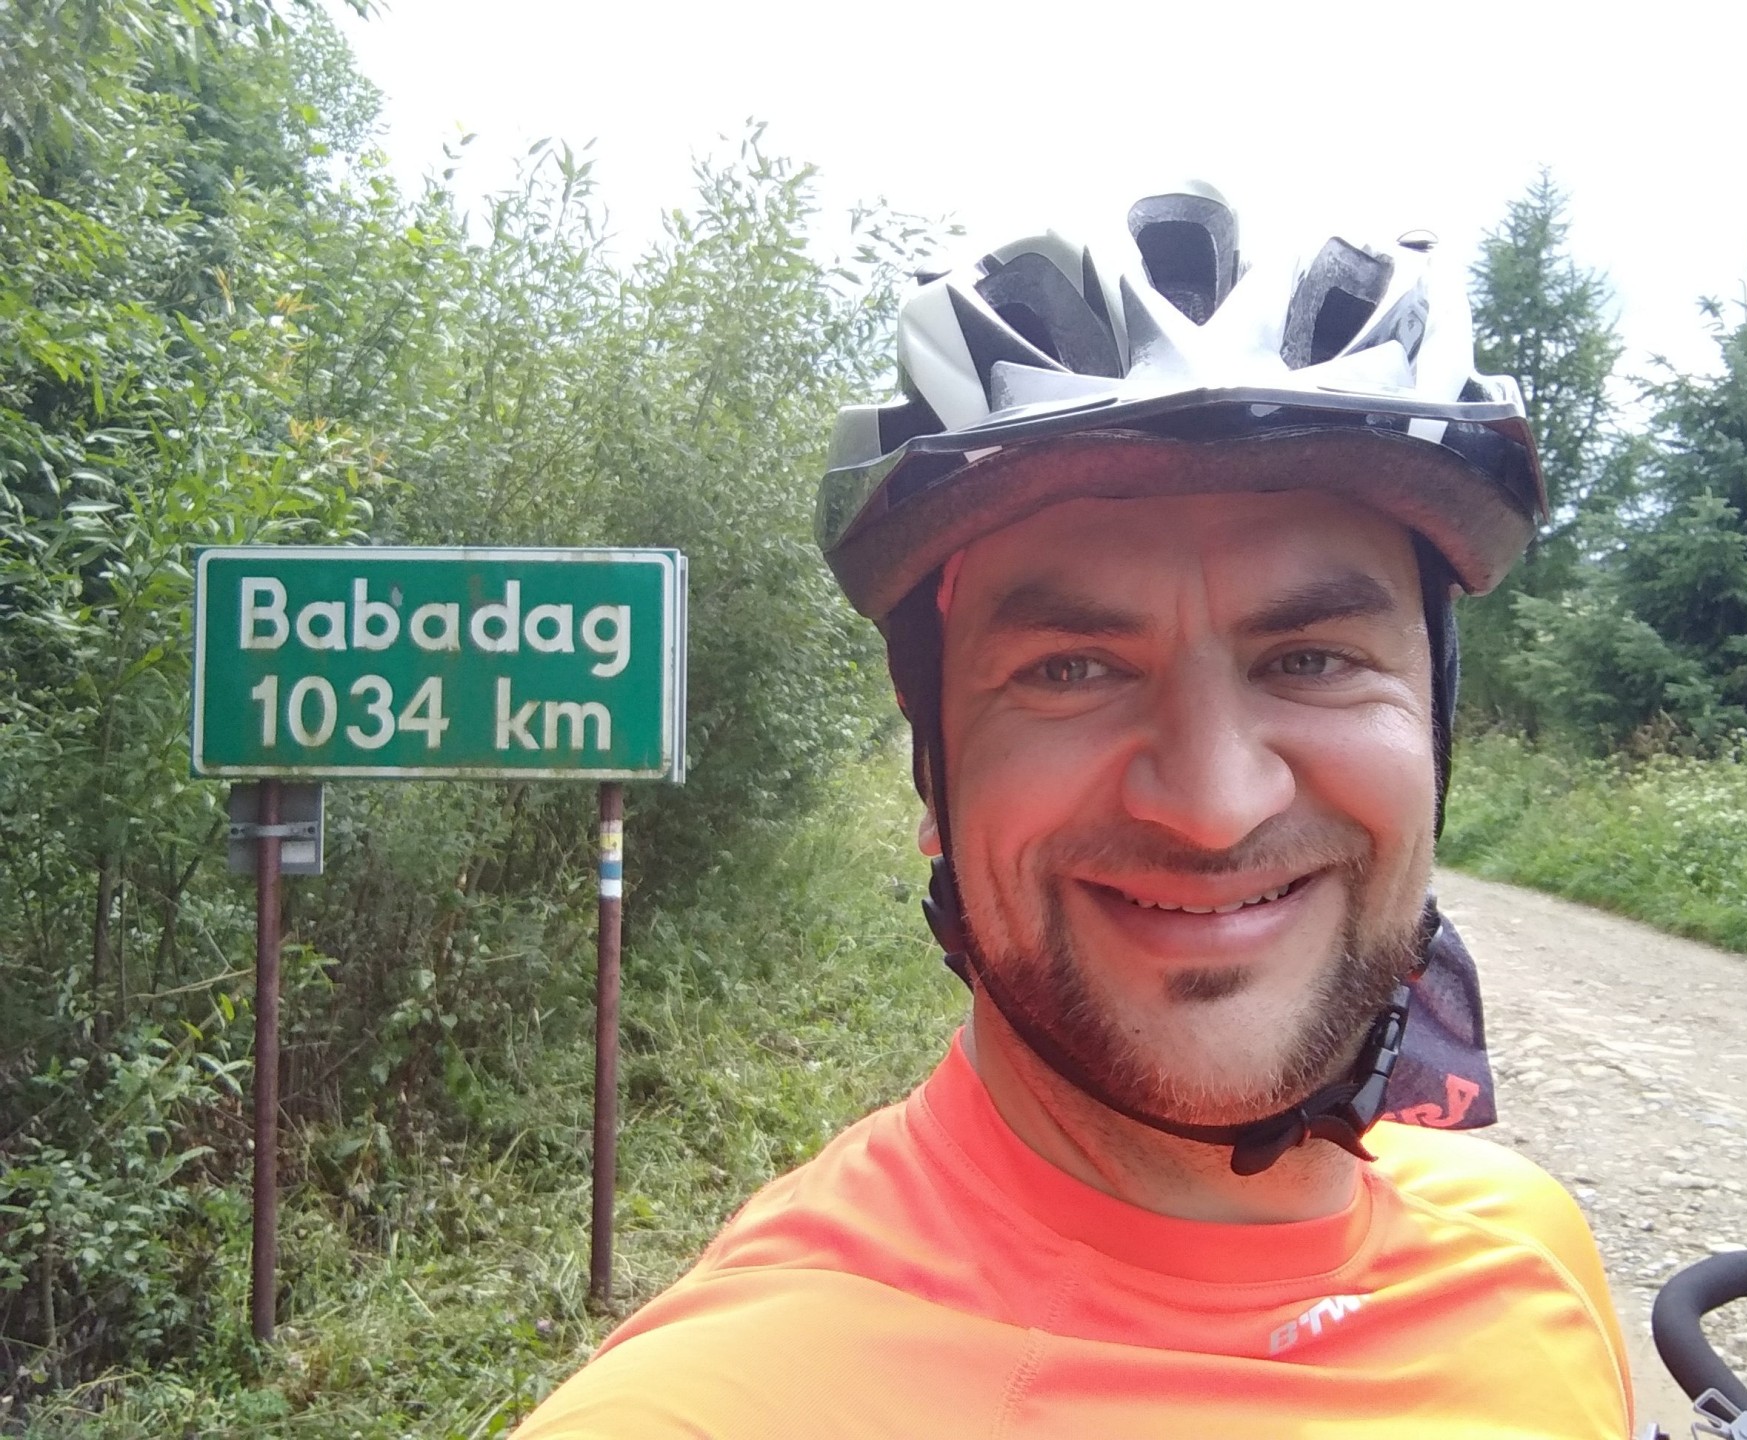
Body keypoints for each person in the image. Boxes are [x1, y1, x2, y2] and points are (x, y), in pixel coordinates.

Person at [515, 184, 1634, 1438]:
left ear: (1435, 726)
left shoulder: (1530, 1248)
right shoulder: (727, 1403)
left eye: (1313, 658)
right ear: (934, 767)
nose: (1213, 808)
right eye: (1071, 670)